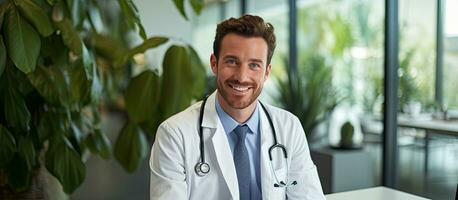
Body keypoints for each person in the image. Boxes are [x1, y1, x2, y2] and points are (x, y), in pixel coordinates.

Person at [149, 15, 325, 200]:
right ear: (214, 64)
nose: (242, 76)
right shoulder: (174, 135)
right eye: (232, 61)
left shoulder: (289, 127)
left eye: (254, 65)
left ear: (266, 72)